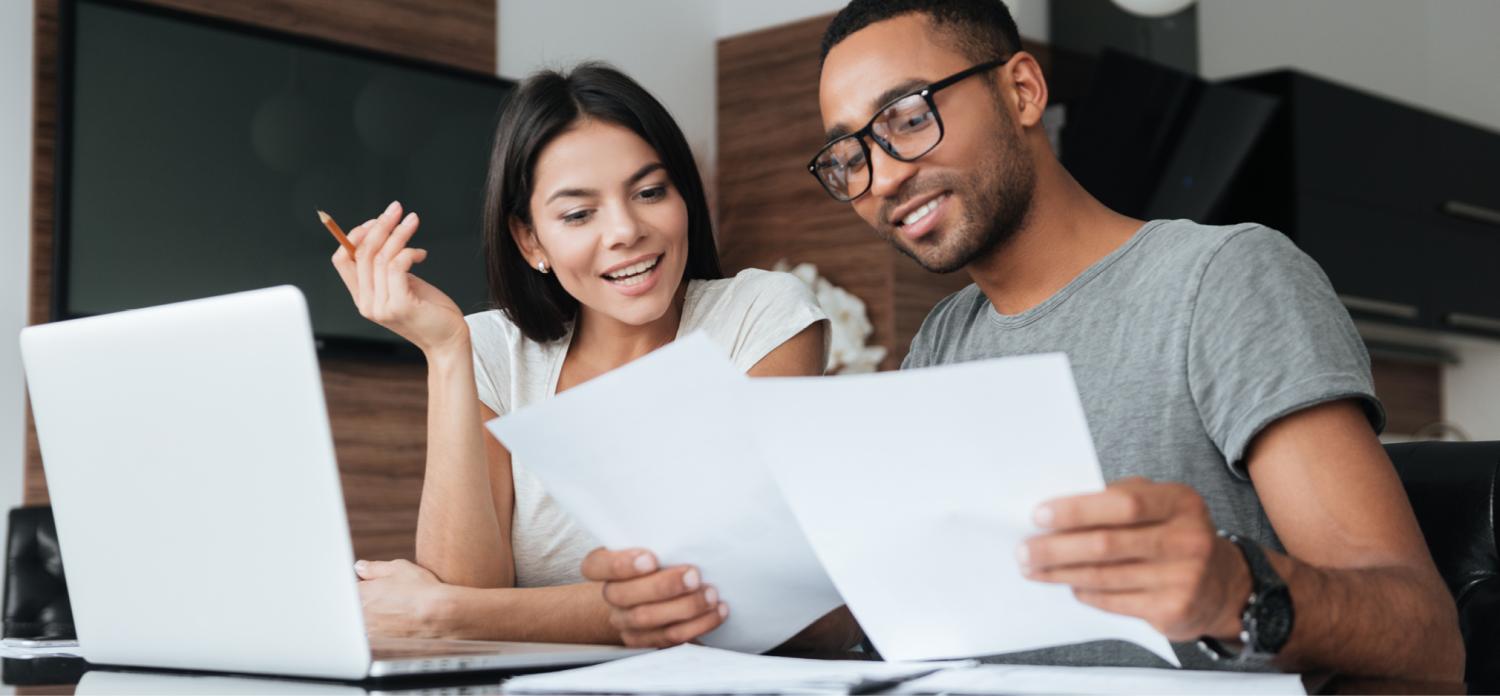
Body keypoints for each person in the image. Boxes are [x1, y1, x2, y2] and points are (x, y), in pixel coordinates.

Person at [586, 0, 1463, 678]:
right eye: (849, 157)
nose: (881, 178)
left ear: (1022, 91)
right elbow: (893, 611)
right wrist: (700, 600)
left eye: (907, 117)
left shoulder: (1222, 279)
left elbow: (1426, 636)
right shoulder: (943, 338)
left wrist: (1237, 588)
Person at [330, 63, 851, 649]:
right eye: (579, 214)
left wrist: (448, 613)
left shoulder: (761, 316)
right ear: (530, 240)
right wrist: (446, 352)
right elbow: (466, 589)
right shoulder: (492, 350)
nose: (625, 230)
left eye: (650, 192)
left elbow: (745, 591)